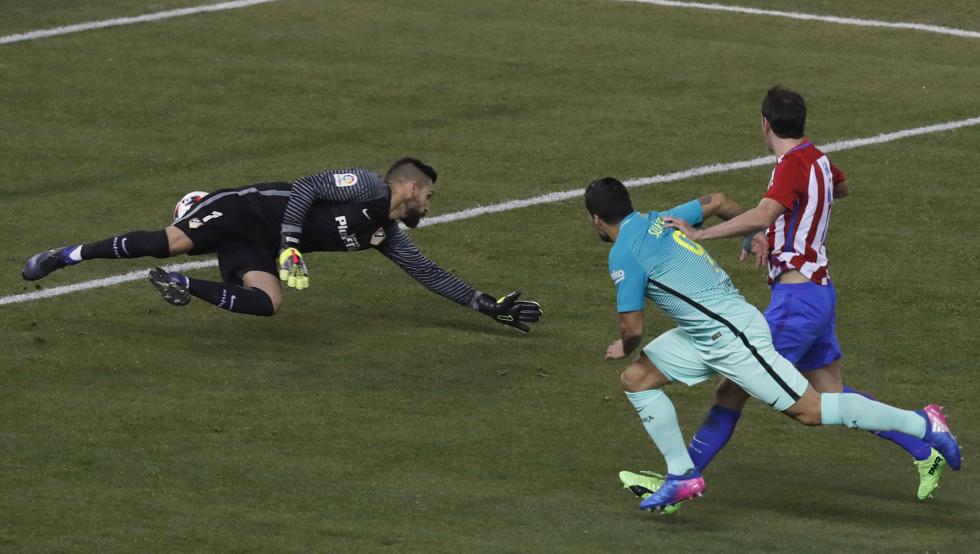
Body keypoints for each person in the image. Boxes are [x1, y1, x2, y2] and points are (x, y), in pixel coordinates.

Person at [585, 177, 960, 512]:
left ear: (597, 220)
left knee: (811, 410)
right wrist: (751, 235)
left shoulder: (623, 255)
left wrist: (623, 344)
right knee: (636, 379)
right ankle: (682, 474)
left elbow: (632, 327)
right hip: (705, 332)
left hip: (733, 336)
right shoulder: (658, 219)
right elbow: (715, 200)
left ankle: (922, 422)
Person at [657, 86, 945, 502]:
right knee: (833, 397)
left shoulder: (791, 165)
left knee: (732, 388)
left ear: (765, 125)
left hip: (796, 300)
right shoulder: (821, 162)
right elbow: (839, 191)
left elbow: (763, 212)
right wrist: (779, 237)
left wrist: (701, 232)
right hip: (818, 293)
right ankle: (923, 448)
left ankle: (681, 478)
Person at [22, 158, 542, 332]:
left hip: (260, 242)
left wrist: (484, 304)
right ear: (408, 187)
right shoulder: (366, 186)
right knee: (169, 241)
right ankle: (64, 256)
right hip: (249, 208)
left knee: (269, 303)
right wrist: (291, 243)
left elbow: (428, 273)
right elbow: (306, 188)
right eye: (428, 195)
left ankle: (182, 286)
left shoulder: (385, 235)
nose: (429, 204)